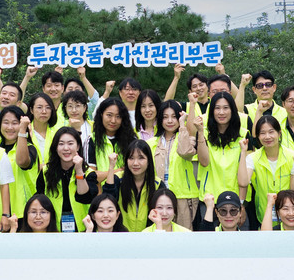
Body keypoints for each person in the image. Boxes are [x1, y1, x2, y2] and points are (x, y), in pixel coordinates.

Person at [186, 90, 246, 229]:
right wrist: (200, 133)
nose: (221, 112)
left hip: (235, 202)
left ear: (232, 110)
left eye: (226, 108)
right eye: (217, 108)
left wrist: (242, 204)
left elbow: (244, 173)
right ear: (212, 111)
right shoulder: (204, 133)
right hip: (209, 200)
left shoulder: (243, 135)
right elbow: (204, 162)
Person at [238, 115, 294, 229]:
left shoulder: (292, 156)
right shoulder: (253, 158)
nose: (267, 137)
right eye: (262, 133)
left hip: (289, 217)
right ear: (257, 136)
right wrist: (243, 152)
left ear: (279, 133)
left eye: (271, 132)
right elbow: (243, 182)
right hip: (263, 214)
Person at [31, 127, 96, 232]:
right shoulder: (45, 172)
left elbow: (85, 198)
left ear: (78, 146)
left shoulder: (88, 173)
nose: (66, 148)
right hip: (53, 228)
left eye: (70, 144)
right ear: (56, 148)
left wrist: (79, 170)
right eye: (61, 144)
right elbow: (40, 200)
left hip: (83, 228)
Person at [155, 100, 198, 230]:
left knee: (183, 237)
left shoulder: (185, 137)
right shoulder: (152, 142)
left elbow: (185, 152)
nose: (169, 121)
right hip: (159, 196)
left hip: (183, 197)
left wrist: (182, 125)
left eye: (174, 117)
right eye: (165, 117)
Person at [104, 139, 157, 232]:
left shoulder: (158, 184)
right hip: (120, 236)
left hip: (148, 237)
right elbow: (107, 200)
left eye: (141, 158)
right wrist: (111, 167)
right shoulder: (117, 179)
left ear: (149, 161)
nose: (135, 163)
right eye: (131, 158)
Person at [90, 97, 136, 181]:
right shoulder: (91, 140)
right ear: (101, 115)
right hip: (102, 193)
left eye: (118, 116)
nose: (113, 121)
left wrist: (104, 174)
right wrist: (119, 170)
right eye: (109, 115)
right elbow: (92, 177)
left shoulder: (132, 140)